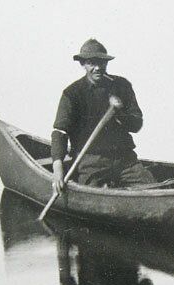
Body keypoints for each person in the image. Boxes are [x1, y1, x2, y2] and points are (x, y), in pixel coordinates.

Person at [51, 38, 155, 193]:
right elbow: (60, 132)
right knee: (92, 192)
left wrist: (119, 113)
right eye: (92, 63)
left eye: (102, 62)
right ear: (83, 64)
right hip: (90, 161)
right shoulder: (73, 93)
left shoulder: (121, 86)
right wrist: (58, 170)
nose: (98, 68)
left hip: (125, 159)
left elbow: (137, 125)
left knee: (152, 189)